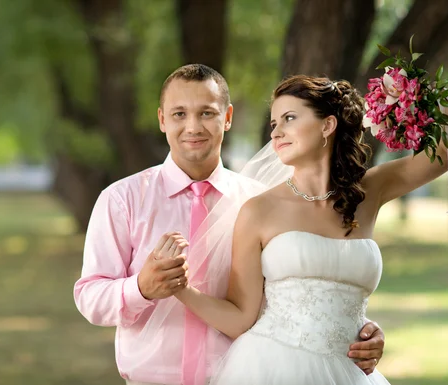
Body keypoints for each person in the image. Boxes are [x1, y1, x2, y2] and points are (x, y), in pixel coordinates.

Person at [73, 65, 386, 385]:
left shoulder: (263, 203)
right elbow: (90, 298)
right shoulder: (122, 199)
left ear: (227, 117)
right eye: (179, 114)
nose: (193, 126)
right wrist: (141, 287)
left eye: (207, 113)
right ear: (162, 119)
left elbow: (293, 290)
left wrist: (354, 328)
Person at [173, 75, 448, 384]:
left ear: (327, 125)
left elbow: (443, 156)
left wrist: (440, 105)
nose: (277, 132)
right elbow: (240, 317)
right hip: (273, 367)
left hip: (350, 372)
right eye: (274, 123)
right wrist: (180, 289)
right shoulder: (259, 211)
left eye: (289, 118)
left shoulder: (369, 191)